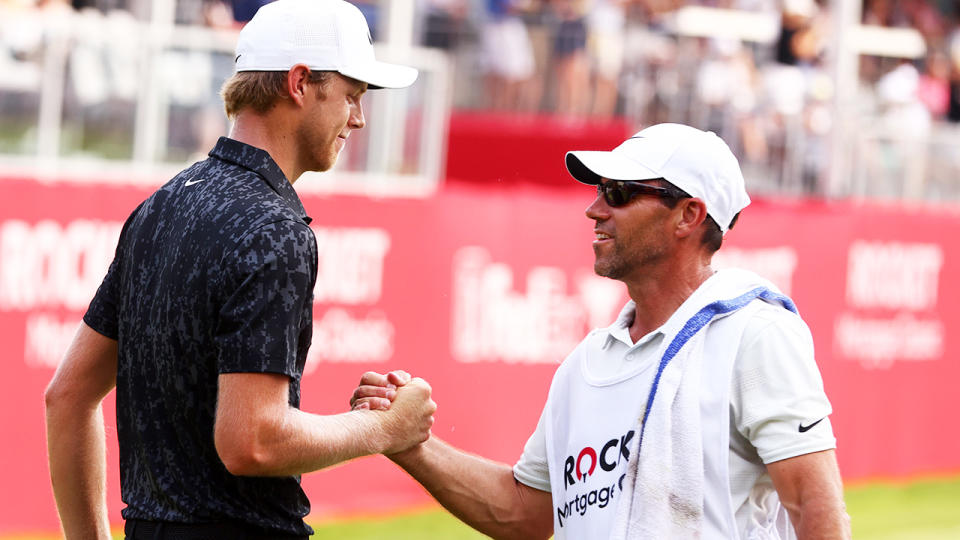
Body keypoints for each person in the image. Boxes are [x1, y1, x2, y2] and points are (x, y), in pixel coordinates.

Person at [44, 1, 435, 538]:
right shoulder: (276, 229)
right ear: (299, 83)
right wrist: (384, 428)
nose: (359, 117)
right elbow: (252, 440)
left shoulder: (161, 204)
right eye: (351, 95)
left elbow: (66, 396)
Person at [354, 123, 851, 539]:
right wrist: (408, 443)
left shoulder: (756, 333)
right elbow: (524, 511)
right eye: (598, 192)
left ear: (689, 215)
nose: (594, 210)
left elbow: (814, 509)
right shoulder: (585, 363)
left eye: (618, 193)